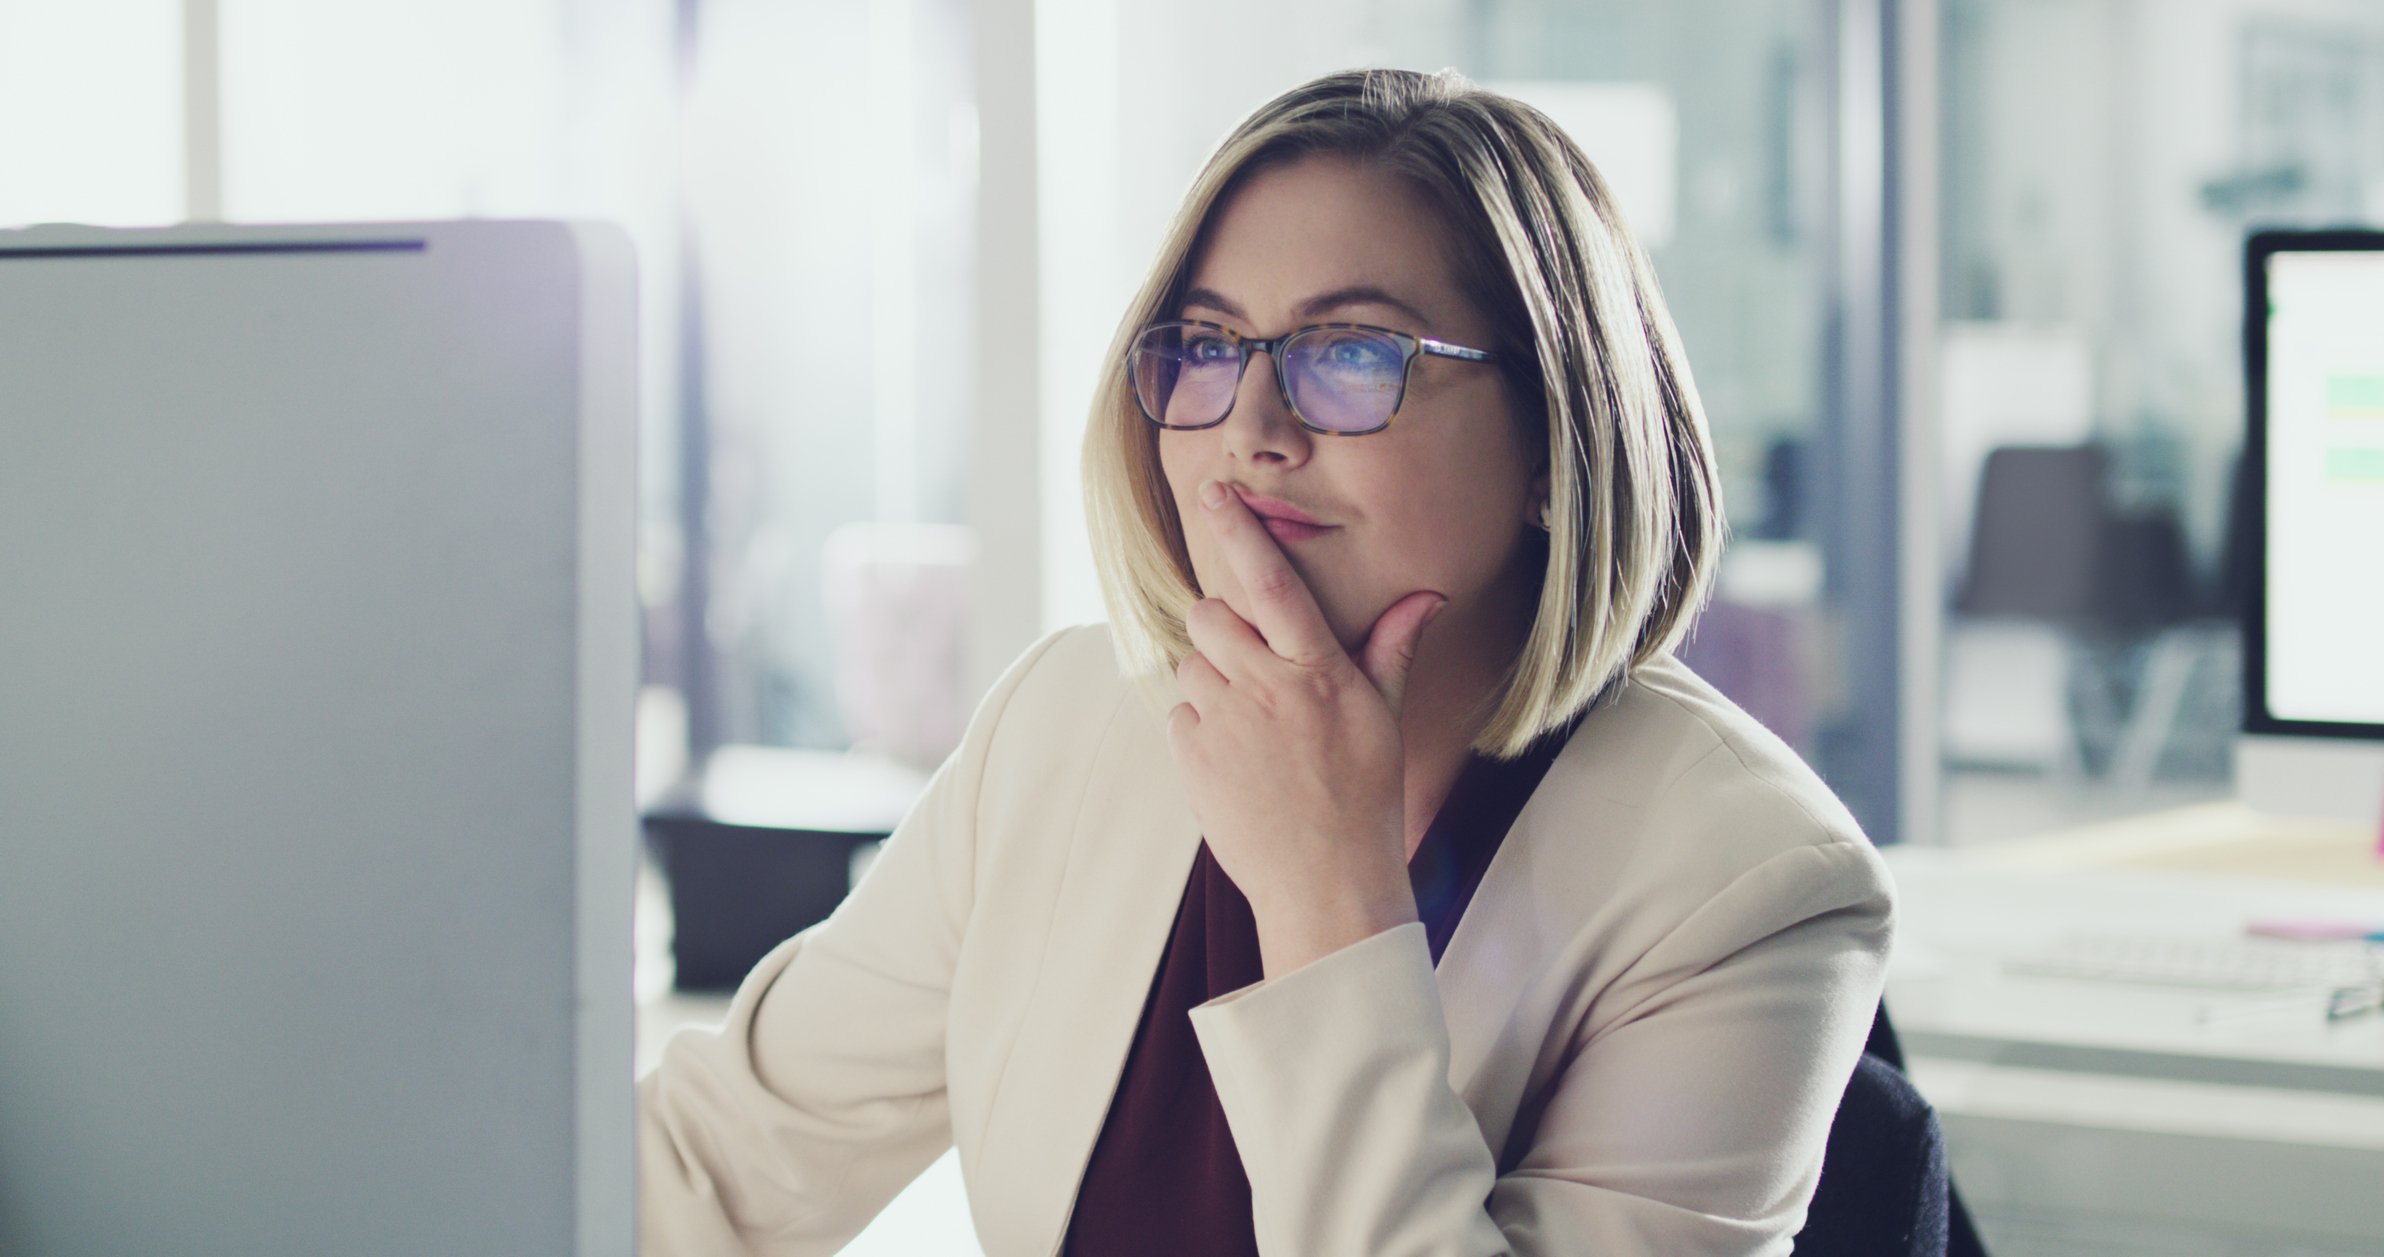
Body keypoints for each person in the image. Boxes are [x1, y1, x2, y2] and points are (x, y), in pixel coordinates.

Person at [637, 67, 1894, 1257]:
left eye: (1351, 354)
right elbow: (709, 1168)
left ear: (1553, 447)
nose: (1249, 428)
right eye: (1204, 346)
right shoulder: (1064, 725)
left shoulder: (1748, 885)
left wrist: (1326, 894)